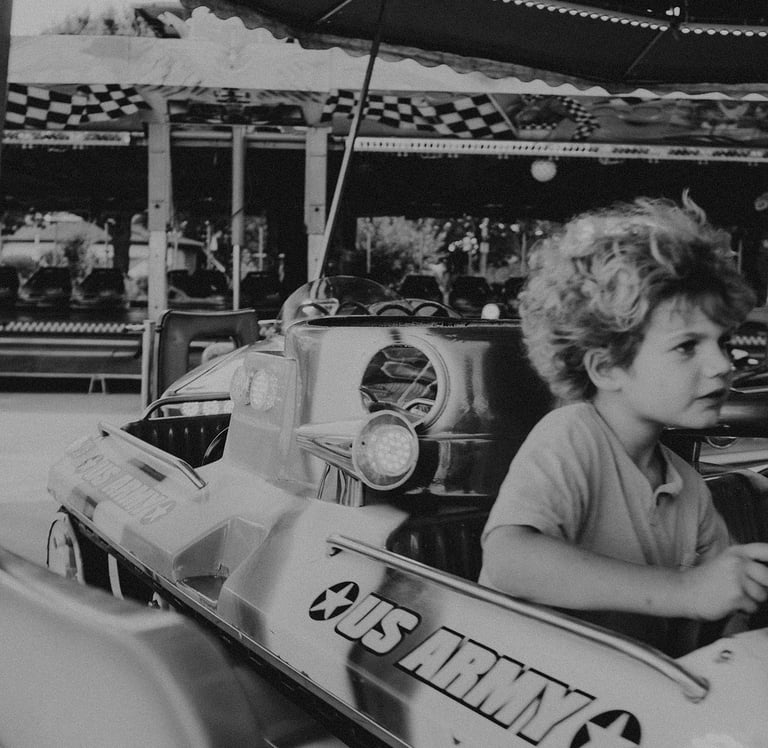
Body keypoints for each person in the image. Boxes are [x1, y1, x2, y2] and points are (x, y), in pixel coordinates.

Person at [479, 192, 768, 655]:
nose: (721, 364)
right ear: (606, 368)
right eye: (687, 346)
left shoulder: (687, 489)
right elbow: (511, 559)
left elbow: (726, 609)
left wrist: (739, 596)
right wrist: (687, 591)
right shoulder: (572, 434)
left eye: (723, 342)